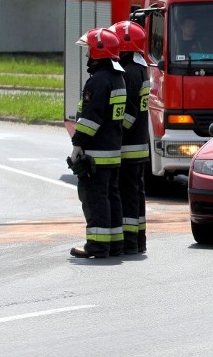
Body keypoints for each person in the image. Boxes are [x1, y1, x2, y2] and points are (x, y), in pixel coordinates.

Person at [69, 27, 127, 258]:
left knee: (95, 199)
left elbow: (90, 120)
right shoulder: (118, 79)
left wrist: (77, 145)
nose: (86, 56)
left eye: (89, 51)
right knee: (112, 197)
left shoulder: (98, 82)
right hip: (112, 152)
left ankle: (97, 245)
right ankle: (114, 243)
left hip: (96, 153)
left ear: (99, 52)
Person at [111, 20, 151, 255]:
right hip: (139, 145)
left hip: (128, 146)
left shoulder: (128, 72)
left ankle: (129, 241)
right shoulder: (141, 68)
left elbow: (129, 112)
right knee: (136, 194)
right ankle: (138, 240)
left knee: (127, 195)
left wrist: (116, 131)